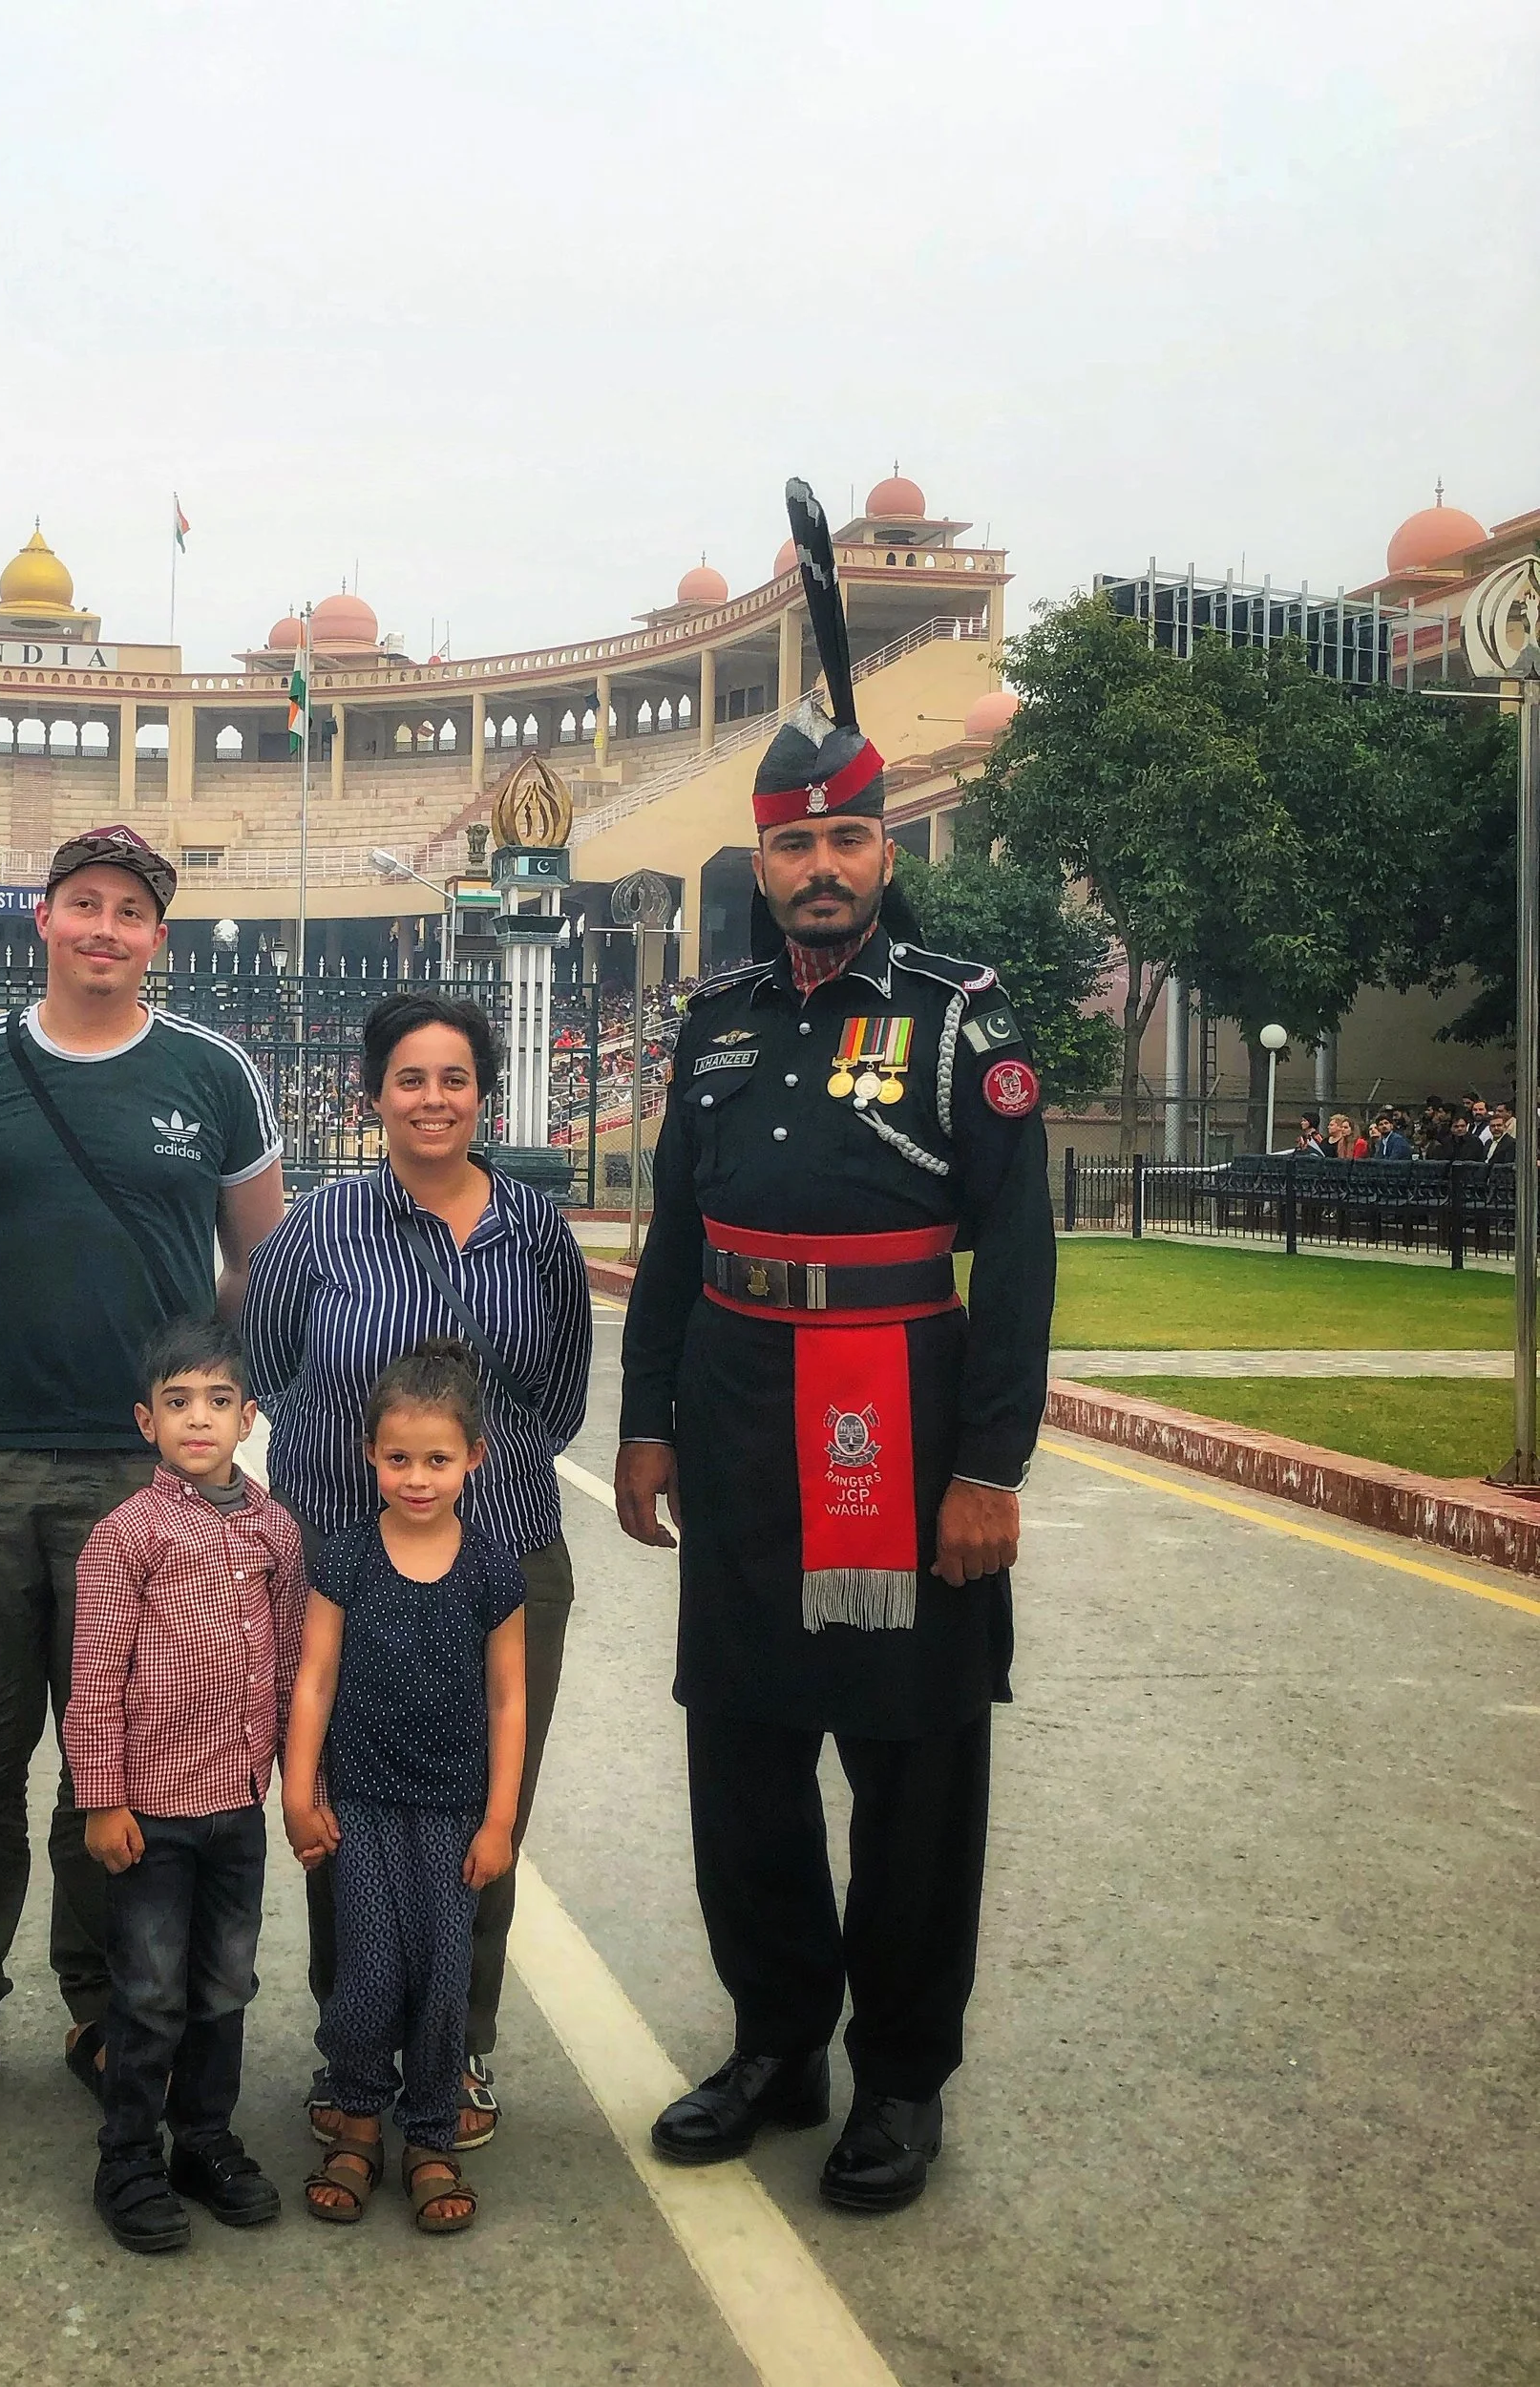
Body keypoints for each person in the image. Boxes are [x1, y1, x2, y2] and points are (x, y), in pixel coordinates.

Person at [616, 477, 1054, 2216]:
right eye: (789, 843)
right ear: (763, 855)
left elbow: (1014, 1259)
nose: (816, 869)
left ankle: (898, 2078)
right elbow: (670, 1242)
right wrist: (641, 1426)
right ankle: (779, 2043)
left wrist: (990, 1465)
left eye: (844, 841)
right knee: (743, 1747)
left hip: (903, 1411)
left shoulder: (962, 1023)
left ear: (884, 850)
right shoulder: (713, 1024)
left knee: (912, 1766)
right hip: (732, 1417)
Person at [0, 825, 285, 2135]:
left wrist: (185, 1412)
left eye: (131, 913)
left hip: (137, 1481)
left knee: (113, 1760)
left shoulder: (213, 1074)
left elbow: (256, 1267)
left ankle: (103, 2003)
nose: (105, 929)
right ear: (43, 921)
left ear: (158, 939)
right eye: (83, 905)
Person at [244, 989, 589, 2152]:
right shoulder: (320, 1227)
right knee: (340, 1812)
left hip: (500, 1568)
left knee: (479, 1814)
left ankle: (458, 2039)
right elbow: (271, 1364)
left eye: (452, 1078)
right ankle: (354, 2047)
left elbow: (557, 1395)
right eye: (408, 1078)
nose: (431, 1098)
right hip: (346, 1573)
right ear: (372, 1094)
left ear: (481, 1094)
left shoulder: (535, 1231)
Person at [62, 1316, 307, 2254]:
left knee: (223, 1985)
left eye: (216, 1401)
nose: (197, 1419)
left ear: (248, 1418)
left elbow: (286, 1668)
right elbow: (95, 1680)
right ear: (146, 1421)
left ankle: (204, 2137)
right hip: (151, 1816)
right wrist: (103, 1797)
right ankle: (127, 2152)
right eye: (176, 1403)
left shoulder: (278, 1529)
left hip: (236, 1809)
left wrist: (293, 1788)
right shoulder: (127, 1536)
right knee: (152, 1991)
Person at [283, 1338, 527, 2234]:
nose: (416, 1478)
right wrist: (299, 1791)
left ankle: (430, 2135)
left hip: (456, 1807)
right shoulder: (345, 1558)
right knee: (370, 1967)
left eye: (437, 1459)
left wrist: (500, 1819)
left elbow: (509, 1698)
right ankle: (354, 2121)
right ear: (368, 1455)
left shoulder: (493, 1568)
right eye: (398, 1458)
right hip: (364, 1804)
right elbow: (313, 1677)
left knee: (443, 1971)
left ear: (475, 1458)